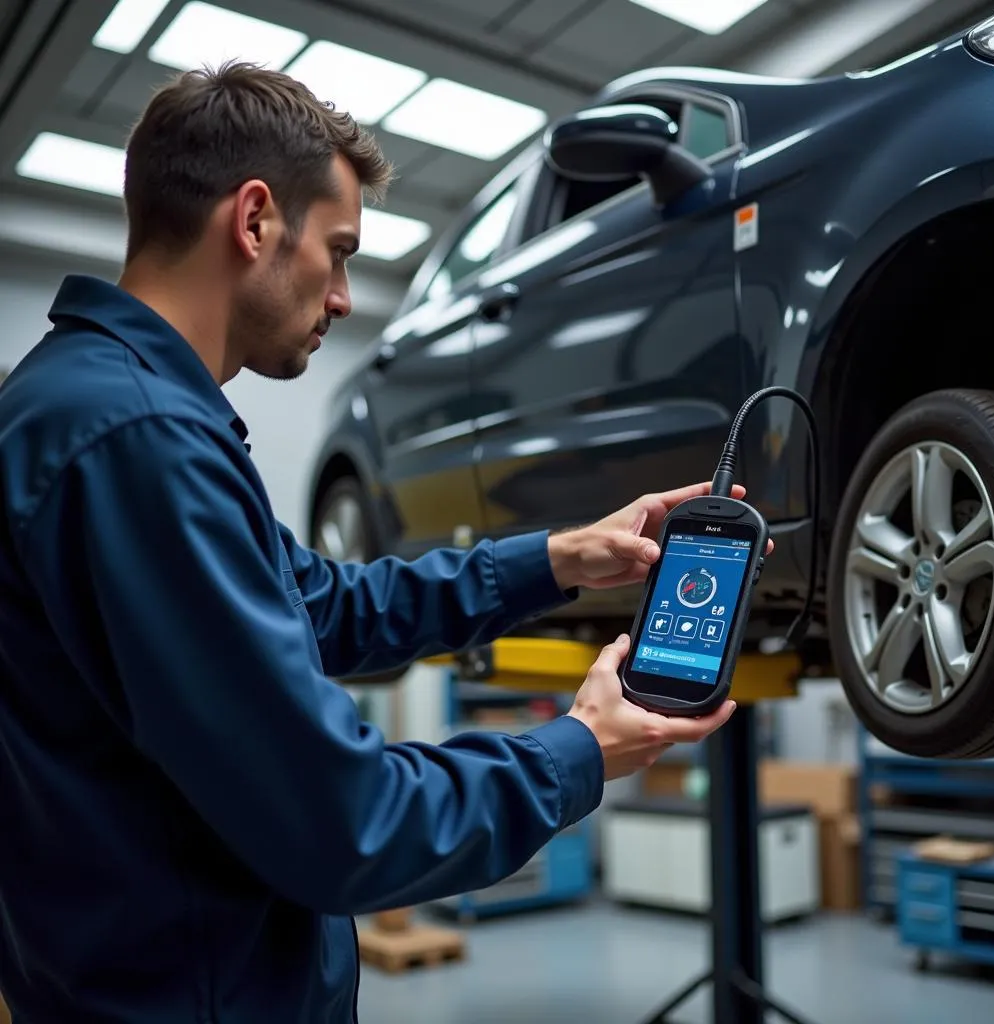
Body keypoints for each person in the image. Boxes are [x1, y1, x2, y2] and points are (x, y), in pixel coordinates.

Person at [0, 62, 756, 1023]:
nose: (348, 298)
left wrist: (557, 558)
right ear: (256, 219)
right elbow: (344, 820)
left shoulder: (102, 410)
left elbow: (322, 605)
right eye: (343, 251)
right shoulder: (136, 439)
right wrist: (578, 751)